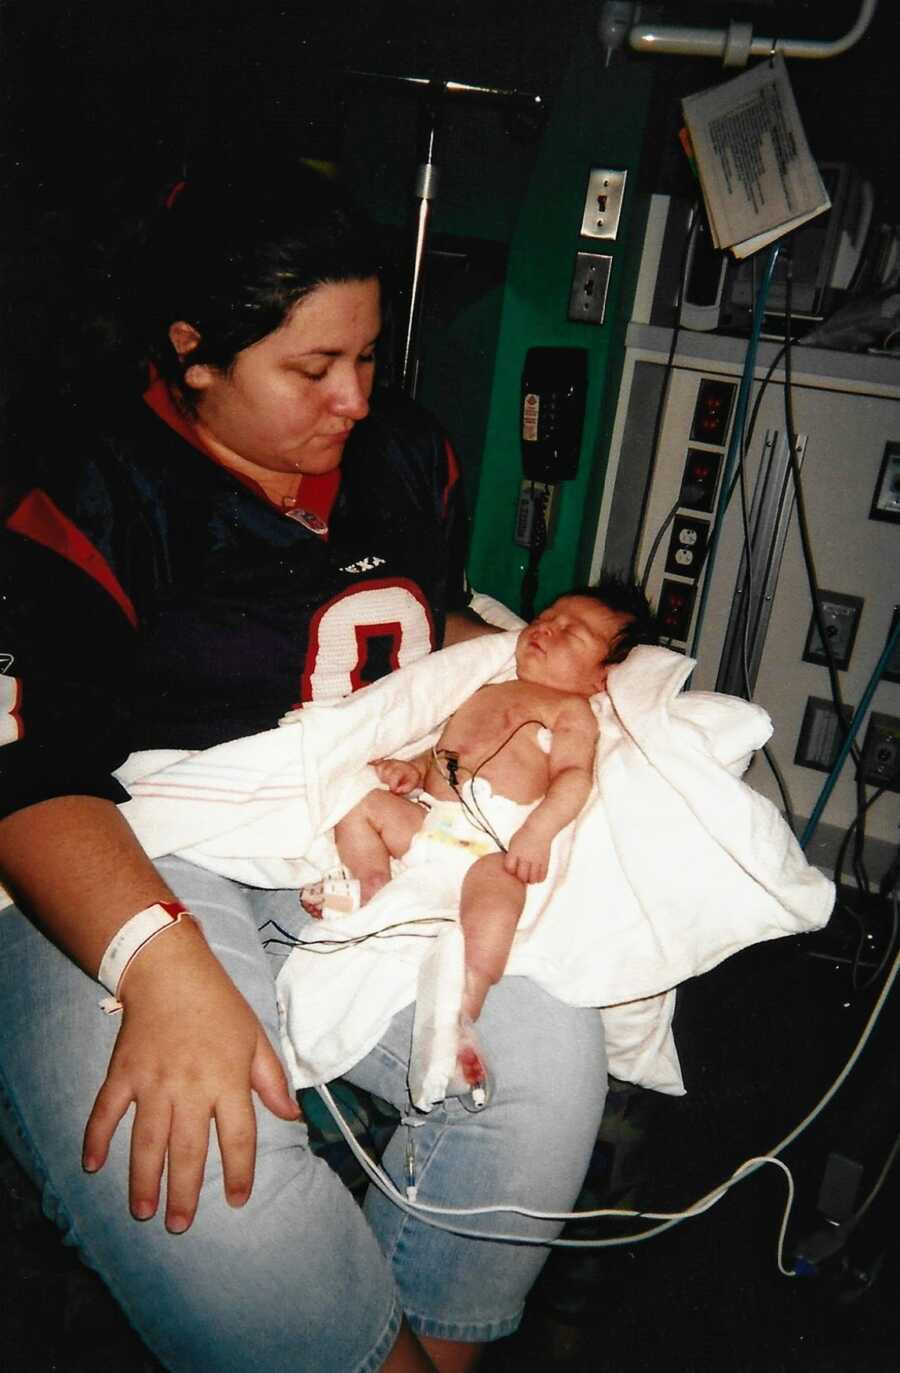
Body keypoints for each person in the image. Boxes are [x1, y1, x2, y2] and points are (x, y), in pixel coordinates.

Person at [0, 163, 611, 1373]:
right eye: (312, 369)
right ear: (195, 355)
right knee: (203, 1154)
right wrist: (159, 964)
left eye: (371, 357)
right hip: (136, 832)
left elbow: (428, 632)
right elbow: (28, 769)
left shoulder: (407, 458)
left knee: (548, 1063)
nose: (353, 399)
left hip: (356, 815)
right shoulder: (96, 488)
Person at [307, 580, 658, 1097]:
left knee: (499, 896)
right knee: (358, 802)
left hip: (488, 843)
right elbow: (442, 747)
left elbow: (572, 778)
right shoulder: (482, 688)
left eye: (571, 633)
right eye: (546, 616)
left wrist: (537, 834)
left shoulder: (571, 712)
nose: (545, 628)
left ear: (601, 678)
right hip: (429, 822)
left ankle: (461, 1013)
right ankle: (369, 884)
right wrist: (410, 768)